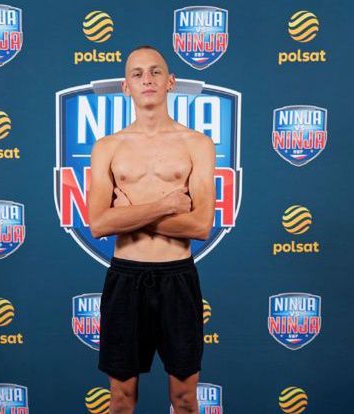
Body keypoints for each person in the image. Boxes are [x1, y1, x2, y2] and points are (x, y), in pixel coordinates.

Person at [87, 46, 216, 414]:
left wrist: (127, 213)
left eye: (156, 72)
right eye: (138, 73)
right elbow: (99, 224)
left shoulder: (198, 144)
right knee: (121, 400)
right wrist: (164, 205)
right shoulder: (107, 147)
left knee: (185, 399)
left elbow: (200, 226)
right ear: (126, 86)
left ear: (170, 81)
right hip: (125, 279)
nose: (147, 79)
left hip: (178, 279)